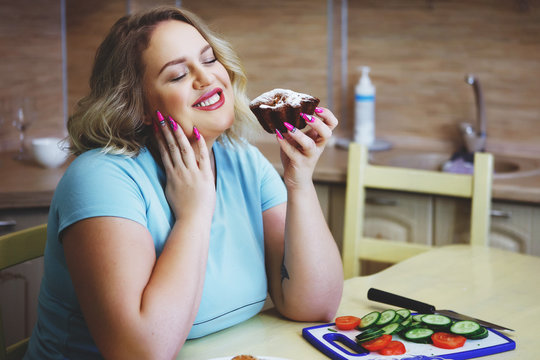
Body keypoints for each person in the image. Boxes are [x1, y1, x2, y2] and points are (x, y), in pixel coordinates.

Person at [25, 6, 343, 359]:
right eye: (177, 75)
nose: (205, 78)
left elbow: (315, 306)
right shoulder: (101, 178)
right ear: (141, 105)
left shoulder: (241, 159)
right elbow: (141, 351)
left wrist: (299, 182)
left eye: (208, 60)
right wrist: (193, 216)